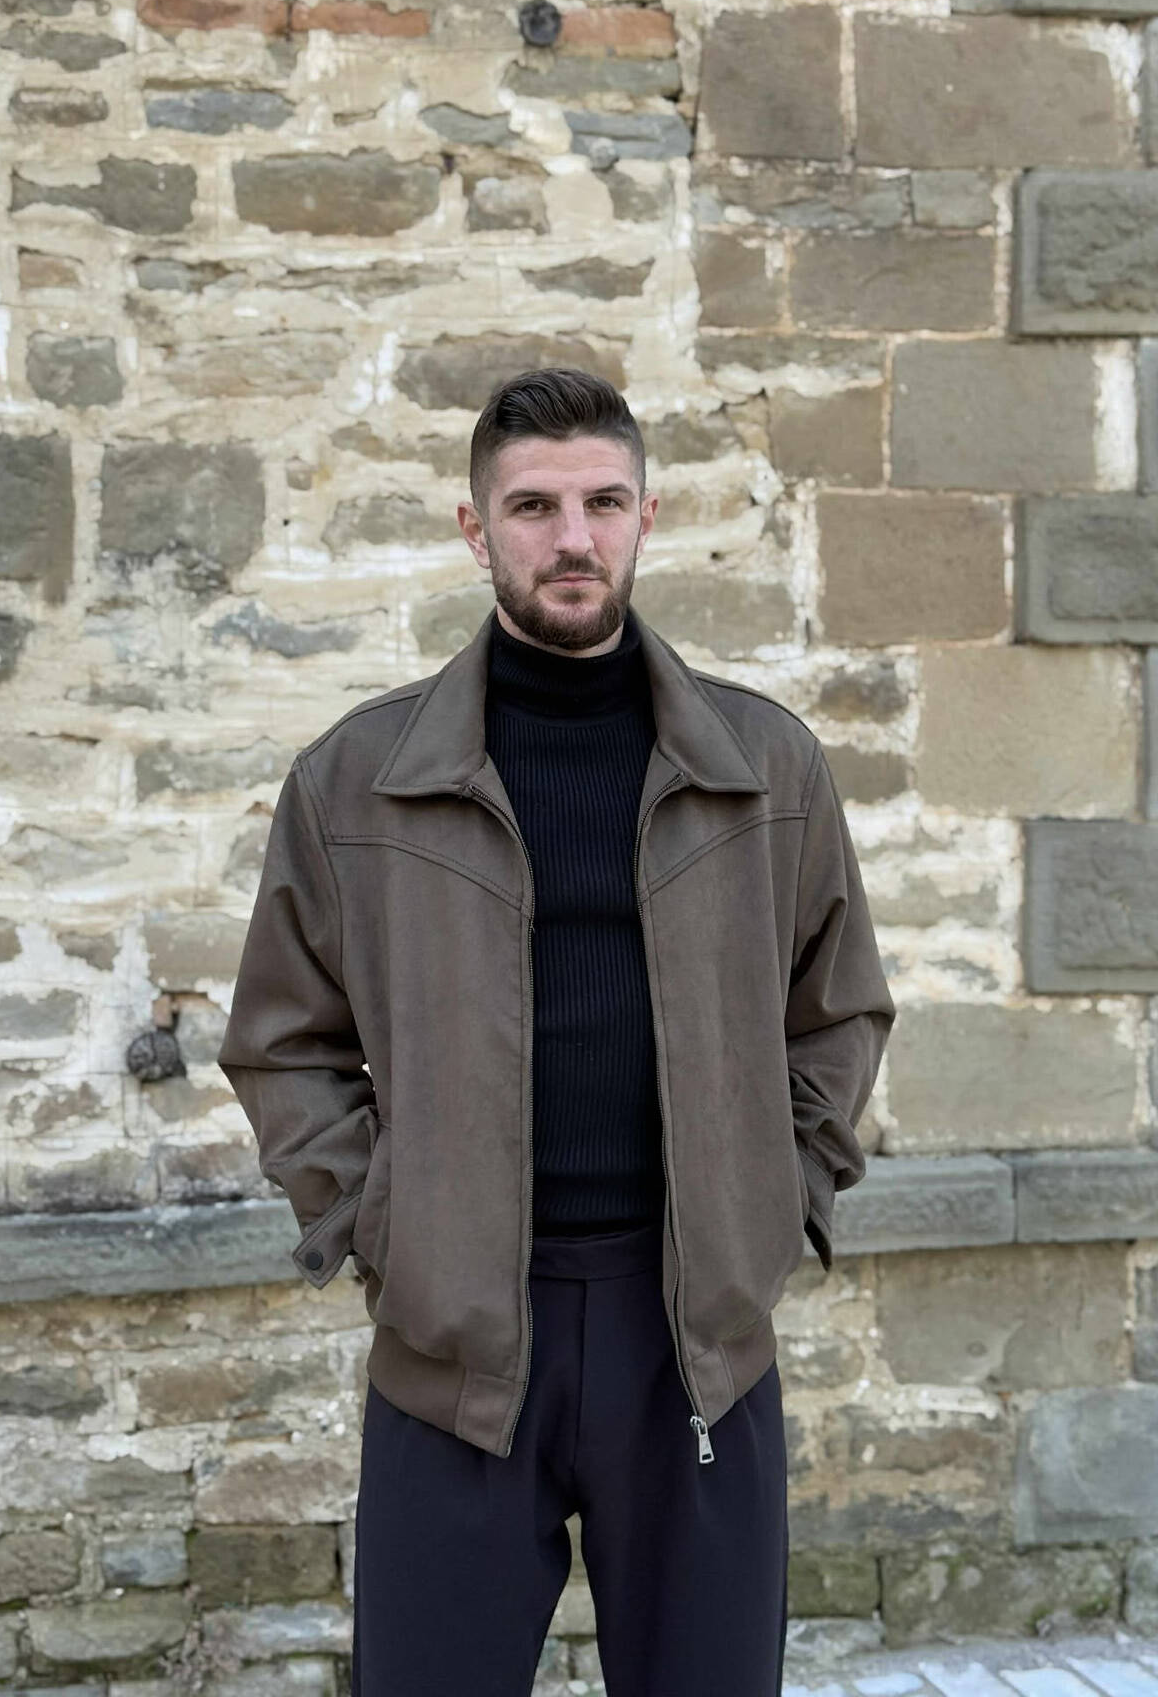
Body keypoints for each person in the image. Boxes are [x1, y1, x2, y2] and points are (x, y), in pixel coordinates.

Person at [217, 366, 897, 1696]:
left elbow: (841, 1009)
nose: (571, 537)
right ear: (477, 530)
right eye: (533, 506)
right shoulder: (357, 781)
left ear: (647, 517)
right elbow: (283, 1040)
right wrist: (380, 1223)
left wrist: (778, 1198)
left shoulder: (767, 769)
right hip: (456, 1349)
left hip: (694, 1345)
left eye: (602, 502)